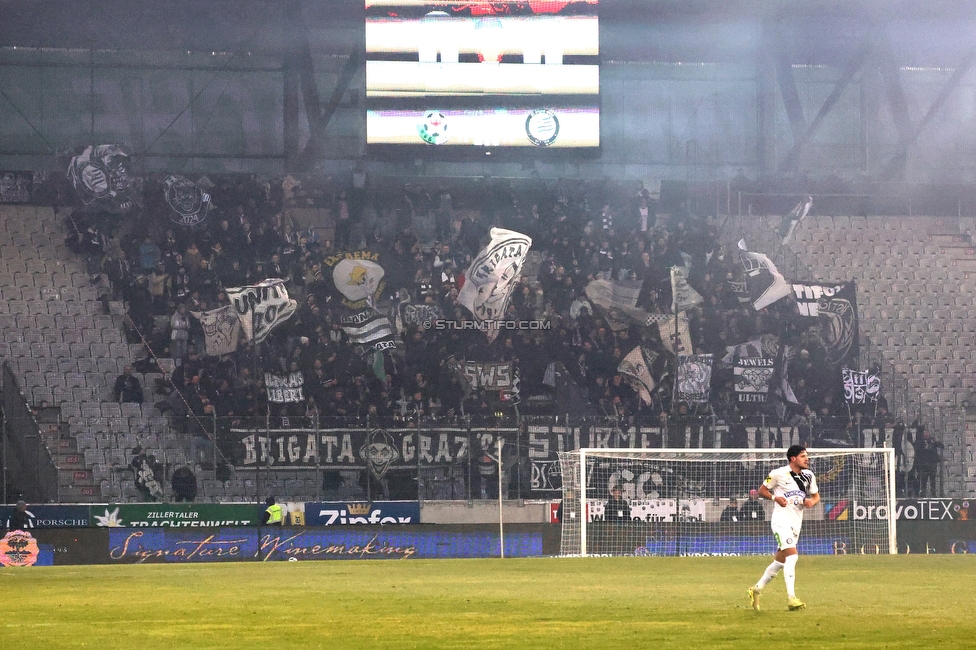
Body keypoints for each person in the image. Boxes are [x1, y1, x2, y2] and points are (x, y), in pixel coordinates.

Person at [747, 445, 819, 611]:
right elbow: (762, 490)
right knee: (792, 557)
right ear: (793, 458)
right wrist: (775, 498)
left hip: (796, 522)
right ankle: (791, 598)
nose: (807, 459)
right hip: (780, 521)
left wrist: (811, 502)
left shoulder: (808, 476)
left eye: (806, 456)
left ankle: (755, 589)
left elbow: (815, 496)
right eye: (803, 456)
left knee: (779, 562)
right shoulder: (778, 473)